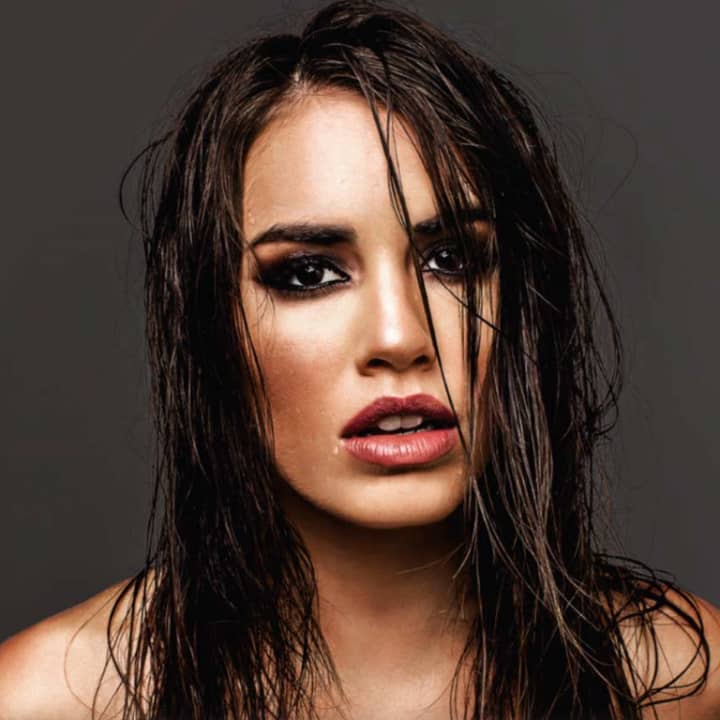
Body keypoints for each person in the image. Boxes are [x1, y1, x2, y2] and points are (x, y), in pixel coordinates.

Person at [0, 1, 718, 718]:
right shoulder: (49, 701)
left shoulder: (681, 680)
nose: (400, 337)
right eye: (309, 273)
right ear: (211, 326)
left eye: (451, 260)